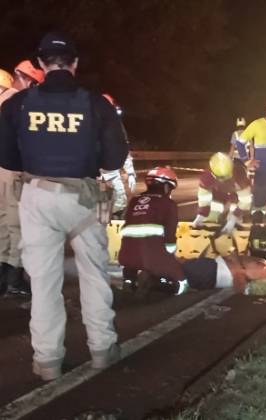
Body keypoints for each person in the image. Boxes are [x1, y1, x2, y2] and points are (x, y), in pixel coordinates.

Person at [0, 33, 129, 381]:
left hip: (37, 196)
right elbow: (117, 156)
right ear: (74, 63)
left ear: (41, 64)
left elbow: (6, 155)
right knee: (94, 276)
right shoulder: (95, 103)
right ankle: (103, 351)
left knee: (44, 284)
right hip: (83, 198)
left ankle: (47, 362)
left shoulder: (17, 104)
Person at [0, 61, 46, 297]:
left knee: (3, 222)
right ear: (22, 77)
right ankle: (14, 279)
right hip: (11, 169)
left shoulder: (6, 98)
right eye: (33, 82)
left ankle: (4, 278)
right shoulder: (16, 102)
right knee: (16, 223)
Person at [119, 167, 189, 295]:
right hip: (152, 257)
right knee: (183, 285)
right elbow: (170, 235)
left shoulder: (134, 201)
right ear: (167, 187)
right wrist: (171, 255)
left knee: (133, 259)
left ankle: (129, 280)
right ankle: (156, 284)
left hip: (126, 256)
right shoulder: (168, 203)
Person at [192, 152, 252, 232]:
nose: (224, 180)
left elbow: (245, 200)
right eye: (221, 178)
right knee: (211, 220)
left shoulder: (240, 175)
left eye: (226, 177)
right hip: (218, 196)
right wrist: (201, 215)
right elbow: (204, 198)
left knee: (234, 226)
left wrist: (234, 217)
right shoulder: (207, 177)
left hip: (235, 197)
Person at [99, 93, 136, 218]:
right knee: (97, 207)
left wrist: (130, 172)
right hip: (93, 175)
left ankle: (113, 227)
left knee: (120, 202)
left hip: (111, 172)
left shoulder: (115, 125)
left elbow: (123, 147)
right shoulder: (87, 122)